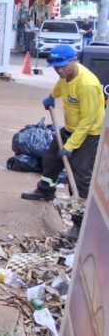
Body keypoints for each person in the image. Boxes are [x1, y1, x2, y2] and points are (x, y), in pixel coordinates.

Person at [21, 45, 105, 240]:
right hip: (70, 128)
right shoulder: (66, 76)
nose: (59, 70)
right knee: (51, 158)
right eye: (56, 66)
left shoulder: (87, 85)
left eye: (62, 65)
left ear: (74, 61)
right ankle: (46, 190)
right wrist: (52, 96)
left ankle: (80, 222)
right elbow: (61, 85)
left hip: (90, 133)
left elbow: (87, 122)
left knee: (80, 175)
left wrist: (70, 146)